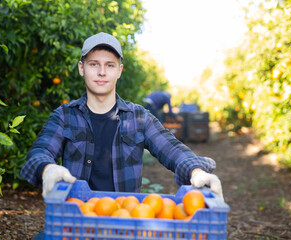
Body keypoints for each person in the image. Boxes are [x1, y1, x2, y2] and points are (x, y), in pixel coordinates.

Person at [20, 32, 224, 200]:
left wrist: (196, 172)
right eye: (93, 64)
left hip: (124, 220)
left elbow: (172, 149)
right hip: (76, 218)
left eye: (109, 65)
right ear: (81, 68)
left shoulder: (139, 118)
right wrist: (48, 169)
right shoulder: (65, 116)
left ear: (119, 70)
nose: (102, 72)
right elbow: (39, 152)